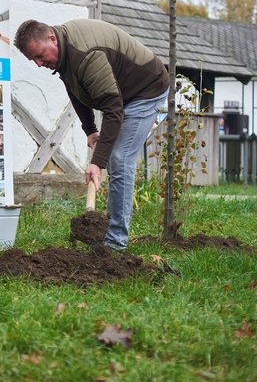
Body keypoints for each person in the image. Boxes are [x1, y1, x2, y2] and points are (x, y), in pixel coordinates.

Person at [14, 19, 169, 251]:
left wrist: (97, 163)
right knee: (114, 157)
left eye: (39, 56)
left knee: (120, 160)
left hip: (146, 89)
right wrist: (91, 130)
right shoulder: (64, 54)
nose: (38, 64)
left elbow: (113, 110)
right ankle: (110, 233)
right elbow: (76, 91)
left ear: (52, 39)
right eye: (33, 60)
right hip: (122, 94)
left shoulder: (86, 54)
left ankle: (115, 242)